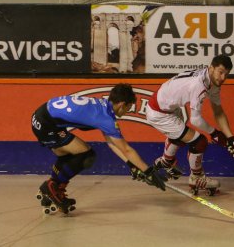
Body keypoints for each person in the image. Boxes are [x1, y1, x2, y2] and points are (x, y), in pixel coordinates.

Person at [31, 83, 166, 214]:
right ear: (122, 104)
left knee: (72, 154)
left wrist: (131, 164)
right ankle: (53, 187)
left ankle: (53, 187)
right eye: (129, 107)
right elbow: (126, 149)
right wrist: (149, 172)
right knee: (86, 155)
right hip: (45, 124)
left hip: (42, 116)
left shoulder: (101, 107)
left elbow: (112, 143)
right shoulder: (106, 119)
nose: (127, 111)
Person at [146, 55, 234, 195]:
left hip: (169, 106)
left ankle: (166, 161)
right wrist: (215, 133)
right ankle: (196, 177)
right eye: (220, 72)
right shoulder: (200, 85)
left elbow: (218, 111)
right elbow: (195, 120)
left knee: (182, 135)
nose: (223, 78)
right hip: (159, 112)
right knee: (199, 141)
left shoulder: (212, 81)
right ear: (211, 68)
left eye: (226, 74)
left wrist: (230, 137)